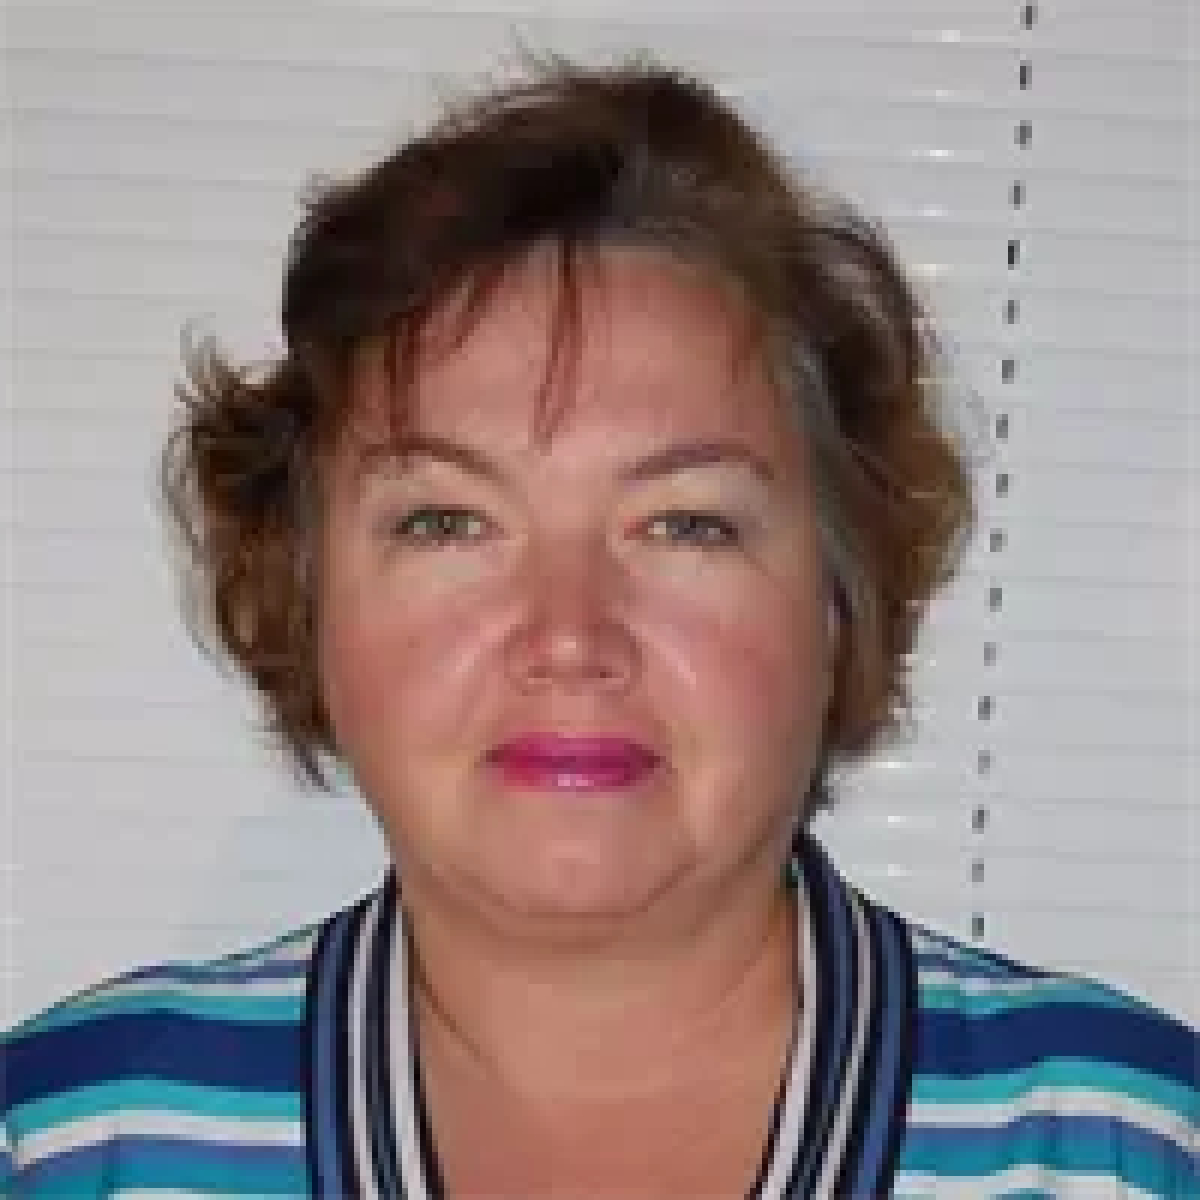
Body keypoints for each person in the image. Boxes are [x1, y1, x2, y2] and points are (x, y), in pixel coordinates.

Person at [2, 55, 1195, 1200]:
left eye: (685, 525)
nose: (569, 638)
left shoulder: (1128, 1150)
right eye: (447, 522)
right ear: (306, 601)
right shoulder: (64, 1147)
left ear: (840, 602)